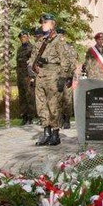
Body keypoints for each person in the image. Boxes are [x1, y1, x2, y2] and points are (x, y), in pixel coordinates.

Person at [30, 13, 73, 147]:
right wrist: (33, 66)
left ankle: (55, 134)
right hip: (40, 76)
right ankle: (46, 133)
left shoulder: (58, 40)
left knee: (53, 106)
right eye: (42, 23)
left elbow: (65, 61)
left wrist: (62, 77)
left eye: (45, 22)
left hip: (53, 76)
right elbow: (32, 58)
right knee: (41, 106)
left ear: (52, 24)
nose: (42, 24)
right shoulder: (40, 41)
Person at [16, 29, 36, 126]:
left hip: (28, 77)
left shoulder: (31, 48)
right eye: (21, 38)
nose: (22, 39)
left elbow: (32, 64)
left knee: (29, 97)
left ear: (27, 37)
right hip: (20, 77)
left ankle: (30, 117)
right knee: (22, 97)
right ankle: (24, 116)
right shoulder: (19, 49)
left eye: (24, 37)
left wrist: (32, 76)